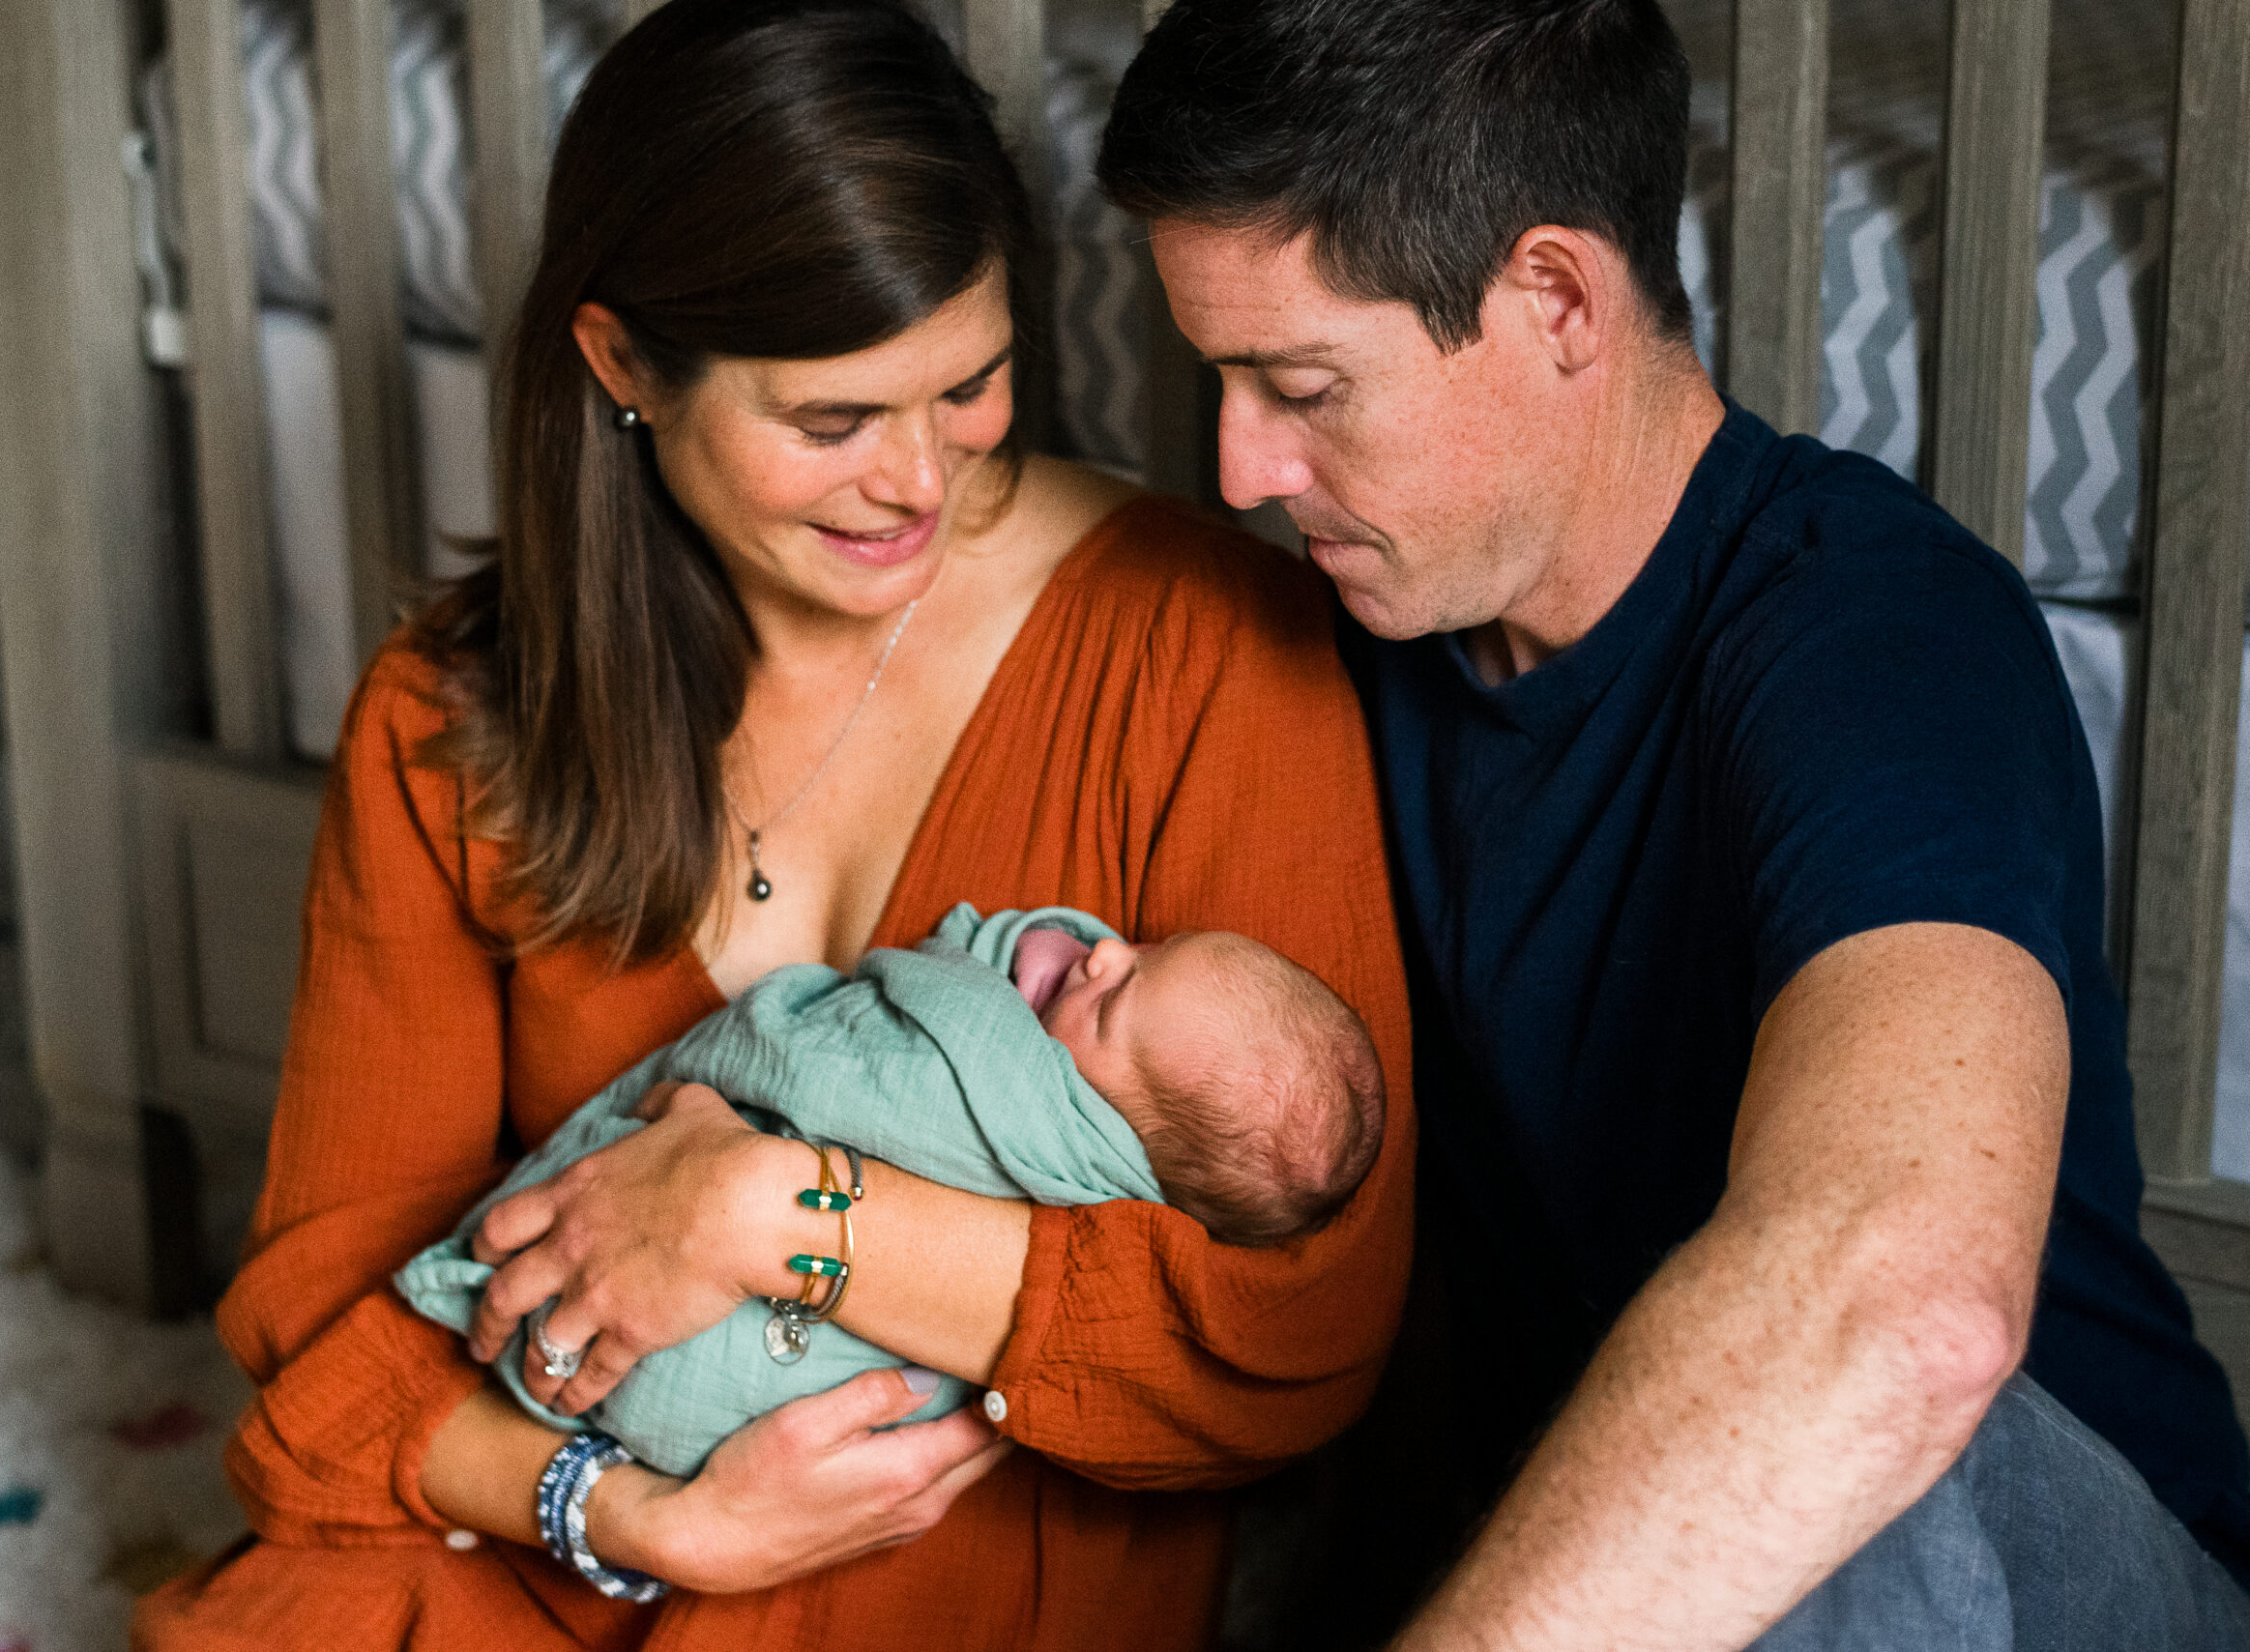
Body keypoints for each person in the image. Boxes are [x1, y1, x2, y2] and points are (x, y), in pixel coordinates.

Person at [135, 1, 1414, 1647]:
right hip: (574, 1487)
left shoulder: (1205, 645)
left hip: (937, 1506)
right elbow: (333, 1296)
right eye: (829, 422)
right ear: (621, 368)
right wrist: (640, 1515)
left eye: (971, 387)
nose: (918, 483)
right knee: (306, 1595)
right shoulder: (452, 712)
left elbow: (1295, 1327)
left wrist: (765, 1212)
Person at [1097, 0, 2250, 1647]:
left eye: (1300, 385)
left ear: (1556, 297)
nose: (1239, 466)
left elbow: (1906, 1307)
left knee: (1835, 1427)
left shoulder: (1875, 631)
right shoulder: (1354, 638)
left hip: (2054, 1577)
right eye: (1221, 379)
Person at [394, 902, 1387, 1477]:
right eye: (1152, 946)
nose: (1109, 946)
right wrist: (609, 1513)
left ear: (1110, 1134)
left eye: (1120, 994)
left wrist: (757, 1201)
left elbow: (822, 1064)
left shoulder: (1024, 1111)